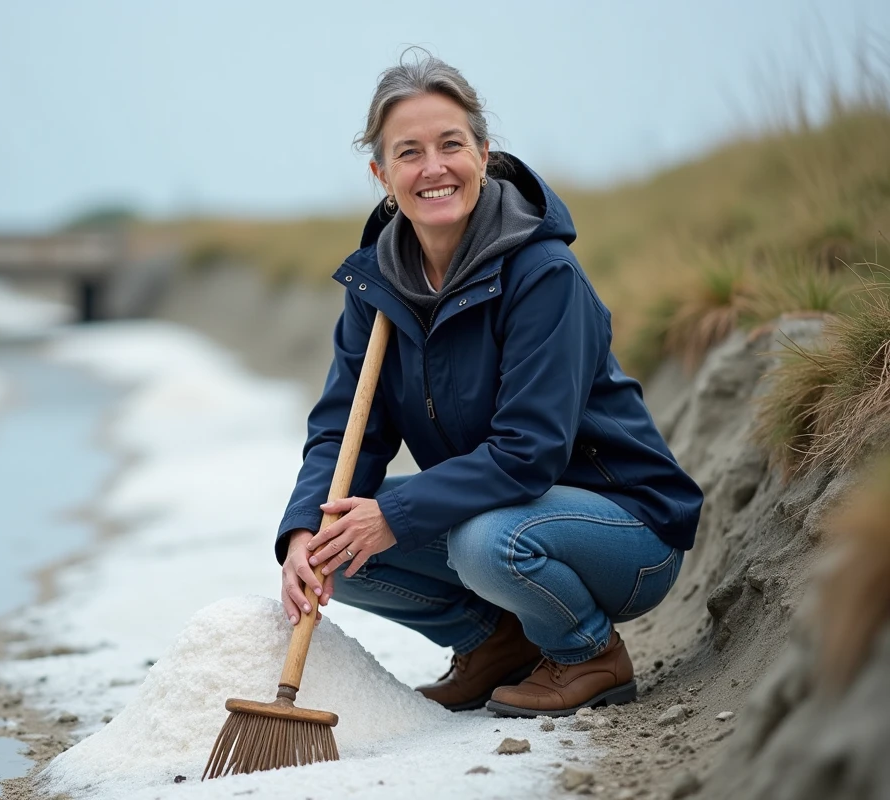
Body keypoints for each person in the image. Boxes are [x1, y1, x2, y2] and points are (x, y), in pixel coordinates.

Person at [275, 51, 704, 718]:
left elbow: (530, 451)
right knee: (337, 543)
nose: (434, 168)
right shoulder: (376, 288)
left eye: (451, 145)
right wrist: (303, 530)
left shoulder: (543, 274)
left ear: (483, 153)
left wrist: (395, 517)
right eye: (409, 152)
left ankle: (588, 652)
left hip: (626, 530)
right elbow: (343, 430)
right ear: (382, 174)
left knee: (483, 542)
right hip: (499, 512)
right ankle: (496, 644)